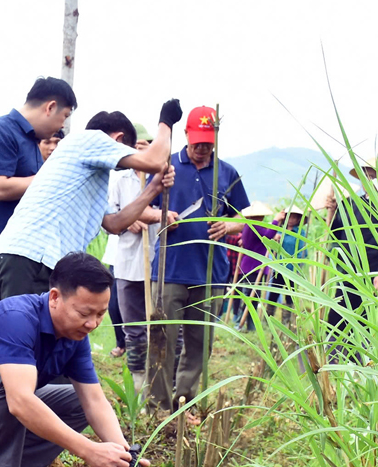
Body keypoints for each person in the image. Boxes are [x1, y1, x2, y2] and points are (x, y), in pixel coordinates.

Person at [0, 252, 149, 467]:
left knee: (76, 401)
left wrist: (124, 456)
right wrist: (88, 450)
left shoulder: (74, 335)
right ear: (55, 298)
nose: (93, 323)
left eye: (101, 314)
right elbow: (19, 401)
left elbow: (94, 402)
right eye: (84, 313)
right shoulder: (17, 317)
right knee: (15, 387)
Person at [0, 104, 183, 298]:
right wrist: (166, 120)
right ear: (118, 140)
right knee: (24, 326)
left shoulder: (91, 173)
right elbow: (154, 161)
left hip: (37, 260)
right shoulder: (91, 139)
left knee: (45, 327)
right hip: (33, 256)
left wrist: (153, 189)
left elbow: (113, 224)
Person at [148, 106, 250, 413]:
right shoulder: (166, 168)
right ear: (186, 137)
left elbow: (245, 216)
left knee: (200, 343)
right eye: (197, 143)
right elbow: (141, 208)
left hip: (210, 273)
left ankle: (185, 401)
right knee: (162, 338)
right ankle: (158, 405)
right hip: (170, 269)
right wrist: (160, 215)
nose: (202, 149)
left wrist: (230, 225)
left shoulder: (227, 172)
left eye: (208, 142)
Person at [0, 77, 79, 304]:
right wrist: (50, 177)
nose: (62, 126)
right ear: (50, 107)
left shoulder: (32, 143)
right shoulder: (0, 131)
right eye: (64, 117)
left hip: (19, 254)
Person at [324, 159, 378, 361]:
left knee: (367, 322)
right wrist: (331, 211)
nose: (370, 179)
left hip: (375, 274)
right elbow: (334, 235)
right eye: (366, 174)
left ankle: (363, 369)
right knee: (339, 318)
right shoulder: (349, 204)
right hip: (349, 273)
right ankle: (334, 366)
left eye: (374, 175)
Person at [107, 124, 165, 387]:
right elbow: (110, 216)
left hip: (156, 263)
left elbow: (169, 214)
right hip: (127, 263)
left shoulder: (163, 179)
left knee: (161, 328)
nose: (140, 153)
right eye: (136, 148)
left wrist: (145, 215)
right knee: (134, 329)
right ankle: (138, 384)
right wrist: (128, 220)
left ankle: (161, 382)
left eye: (145, 148)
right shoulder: (118, 180)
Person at [235, 202, 277, 332]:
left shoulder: (250, 226)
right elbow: (268, 235)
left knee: (252, 297)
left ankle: (249, 324)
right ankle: (243, 324)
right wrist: (276, 221)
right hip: (252, 266)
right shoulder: (254, 226)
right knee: (251, 297)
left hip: (252, 266)